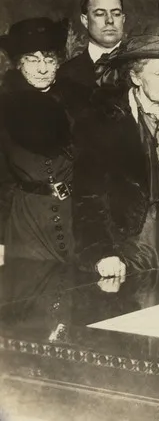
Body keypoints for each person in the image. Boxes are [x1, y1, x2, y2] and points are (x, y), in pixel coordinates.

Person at [73, 35, 159, 277]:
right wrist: (103, 252)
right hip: (127, 248)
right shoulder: (102, 122)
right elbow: (88, 197)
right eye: (158, 73)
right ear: (136, 77)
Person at [0, 18, 87, 262]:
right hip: (27, 221)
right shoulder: (4, 110)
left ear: (58, 64)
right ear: (19, 65)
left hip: (75, 216)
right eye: (33, 60)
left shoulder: (78, 105)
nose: (42, 69)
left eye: (49, 60)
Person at [59, 0, 126, 88]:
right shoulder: (65, 74)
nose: (110, 20)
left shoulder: (144, 66)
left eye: (116, 14)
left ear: (123, 19)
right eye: (100, 14)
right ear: (85, 21)